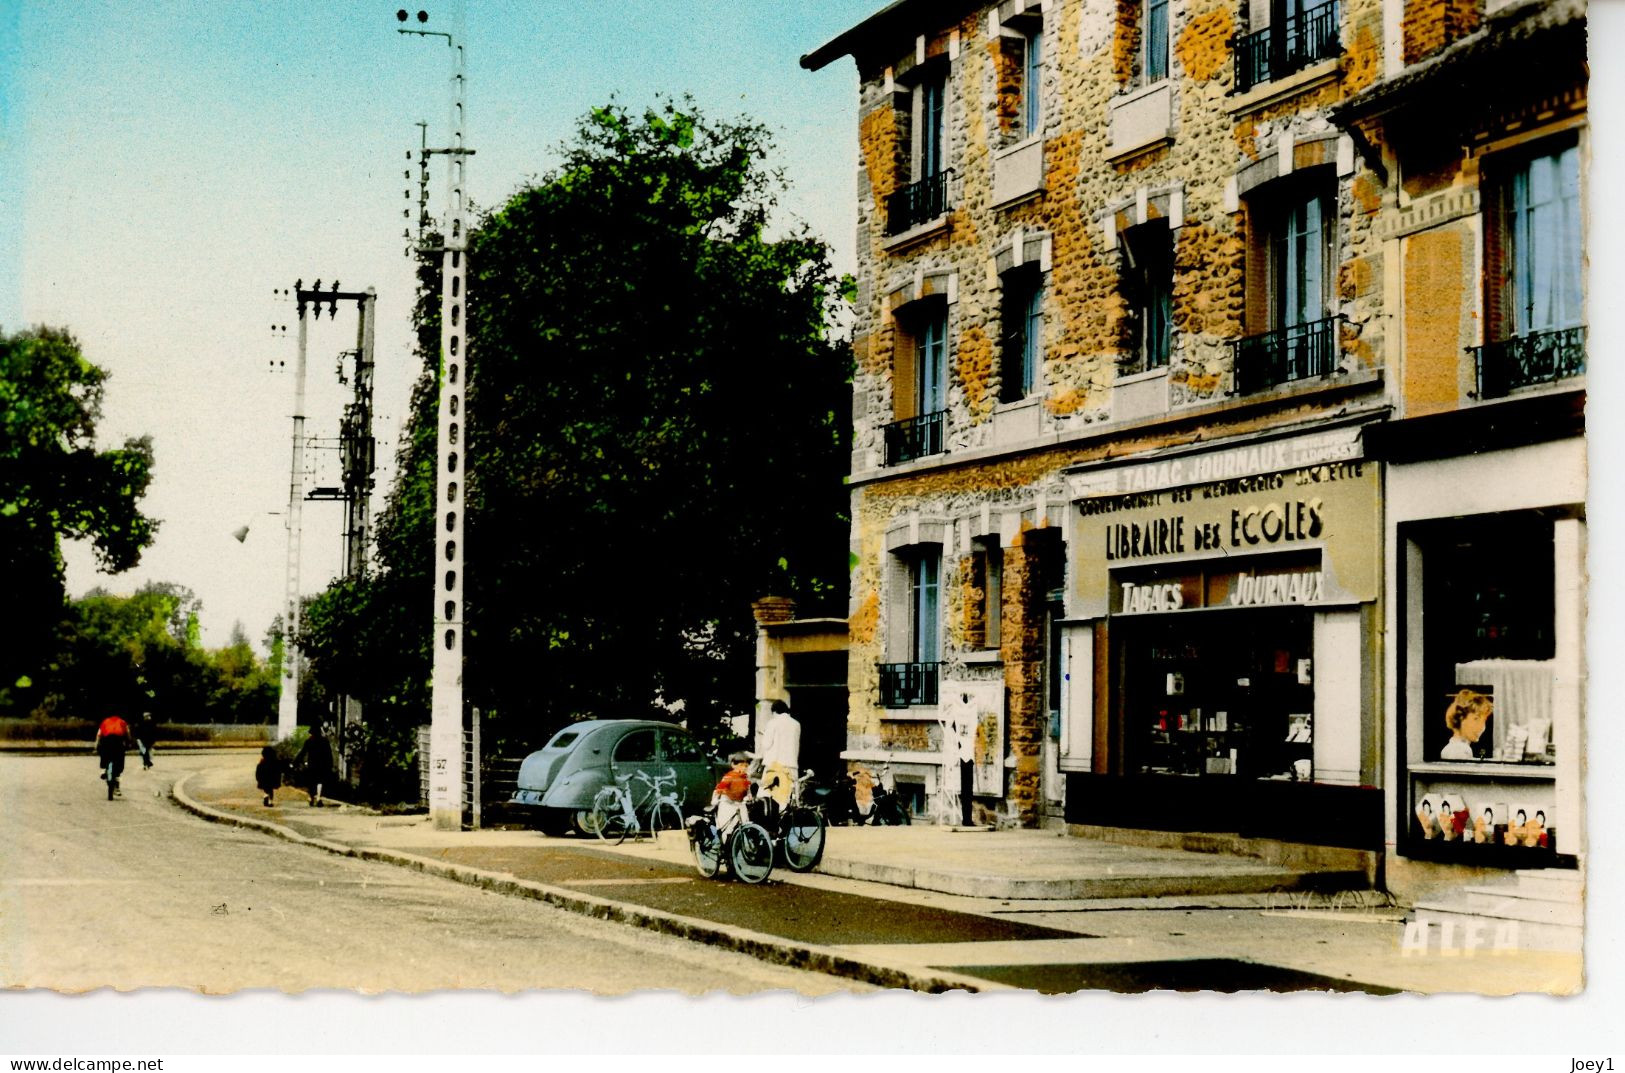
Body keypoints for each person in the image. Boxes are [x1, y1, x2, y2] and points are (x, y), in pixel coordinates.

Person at [755, 699, 801, 808]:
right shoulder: (796, 724)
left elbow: (766, 744)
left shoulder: (773, 723)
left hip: (775, 766)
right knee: (787, 797)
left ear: (774, 712)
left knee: (767, 796)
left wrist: (763, 735)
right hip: (791, 765)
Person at [1441, 689, 1491, 761]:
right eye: (1476, 719)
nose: (1482, 727)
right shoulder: (1458, 751)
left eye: (1484, 721)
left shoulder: (1458, 747)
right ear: (1461, 718)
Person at [710, 751, 754, 831]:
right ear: (733, 765)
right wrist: (715, 800)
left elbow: (748, 790)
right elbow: (718, 790)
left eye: (746, 766)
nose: (743, 768)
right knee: (728, 828)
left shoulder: (745, 778)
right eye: (740, 765)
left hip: (740, 804)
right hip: (728, 804)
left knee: (745, 824)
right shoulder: (729, 777)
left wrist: (749, 797)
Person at [295, 724, 335, 807]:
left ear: (311, 733)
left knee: (311, 782)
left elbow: (302, 753)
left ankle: (311, 798)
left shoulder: (309, 741)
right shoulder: (324, 741)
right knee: (320, 781)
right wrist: (330, 764)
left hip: (312, 764)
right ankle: (319, 798)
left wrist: (295, 762)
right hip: (322, 764)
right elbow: (328, 754)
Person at [95, 712, 131, 796]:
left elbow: (99, 735)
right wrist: (129, 742)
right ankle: (117, 787)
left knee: (103, 753)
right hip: (118, 742)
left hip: (107, 741)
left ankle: (103, 770)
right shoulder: (122, 722)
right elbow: (128, 733)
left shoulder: (105, 721)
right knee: (119, 760)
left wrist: (96, 745)